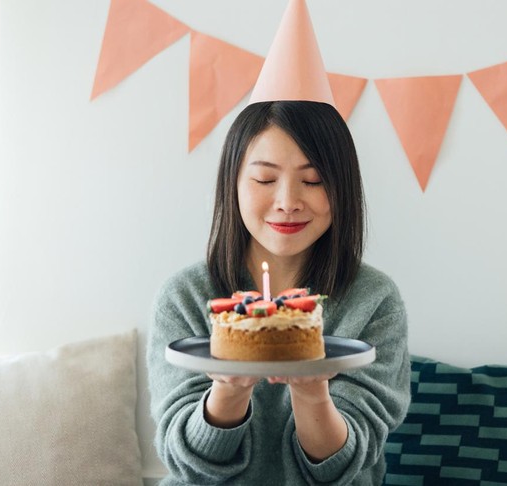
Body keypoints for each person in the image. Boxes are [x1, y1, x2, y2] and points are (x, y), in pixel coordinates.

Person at [147, 100, 410, 485]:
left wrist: (311, 388)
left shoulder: (375, 300)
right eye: (265, 180)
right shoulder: (184, 296)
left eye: (314, 180)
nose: (287, 202)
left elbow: (343, 466)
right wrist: (229, 387)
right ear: (232, 184)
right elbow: (187, 463)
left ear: (342, 188)